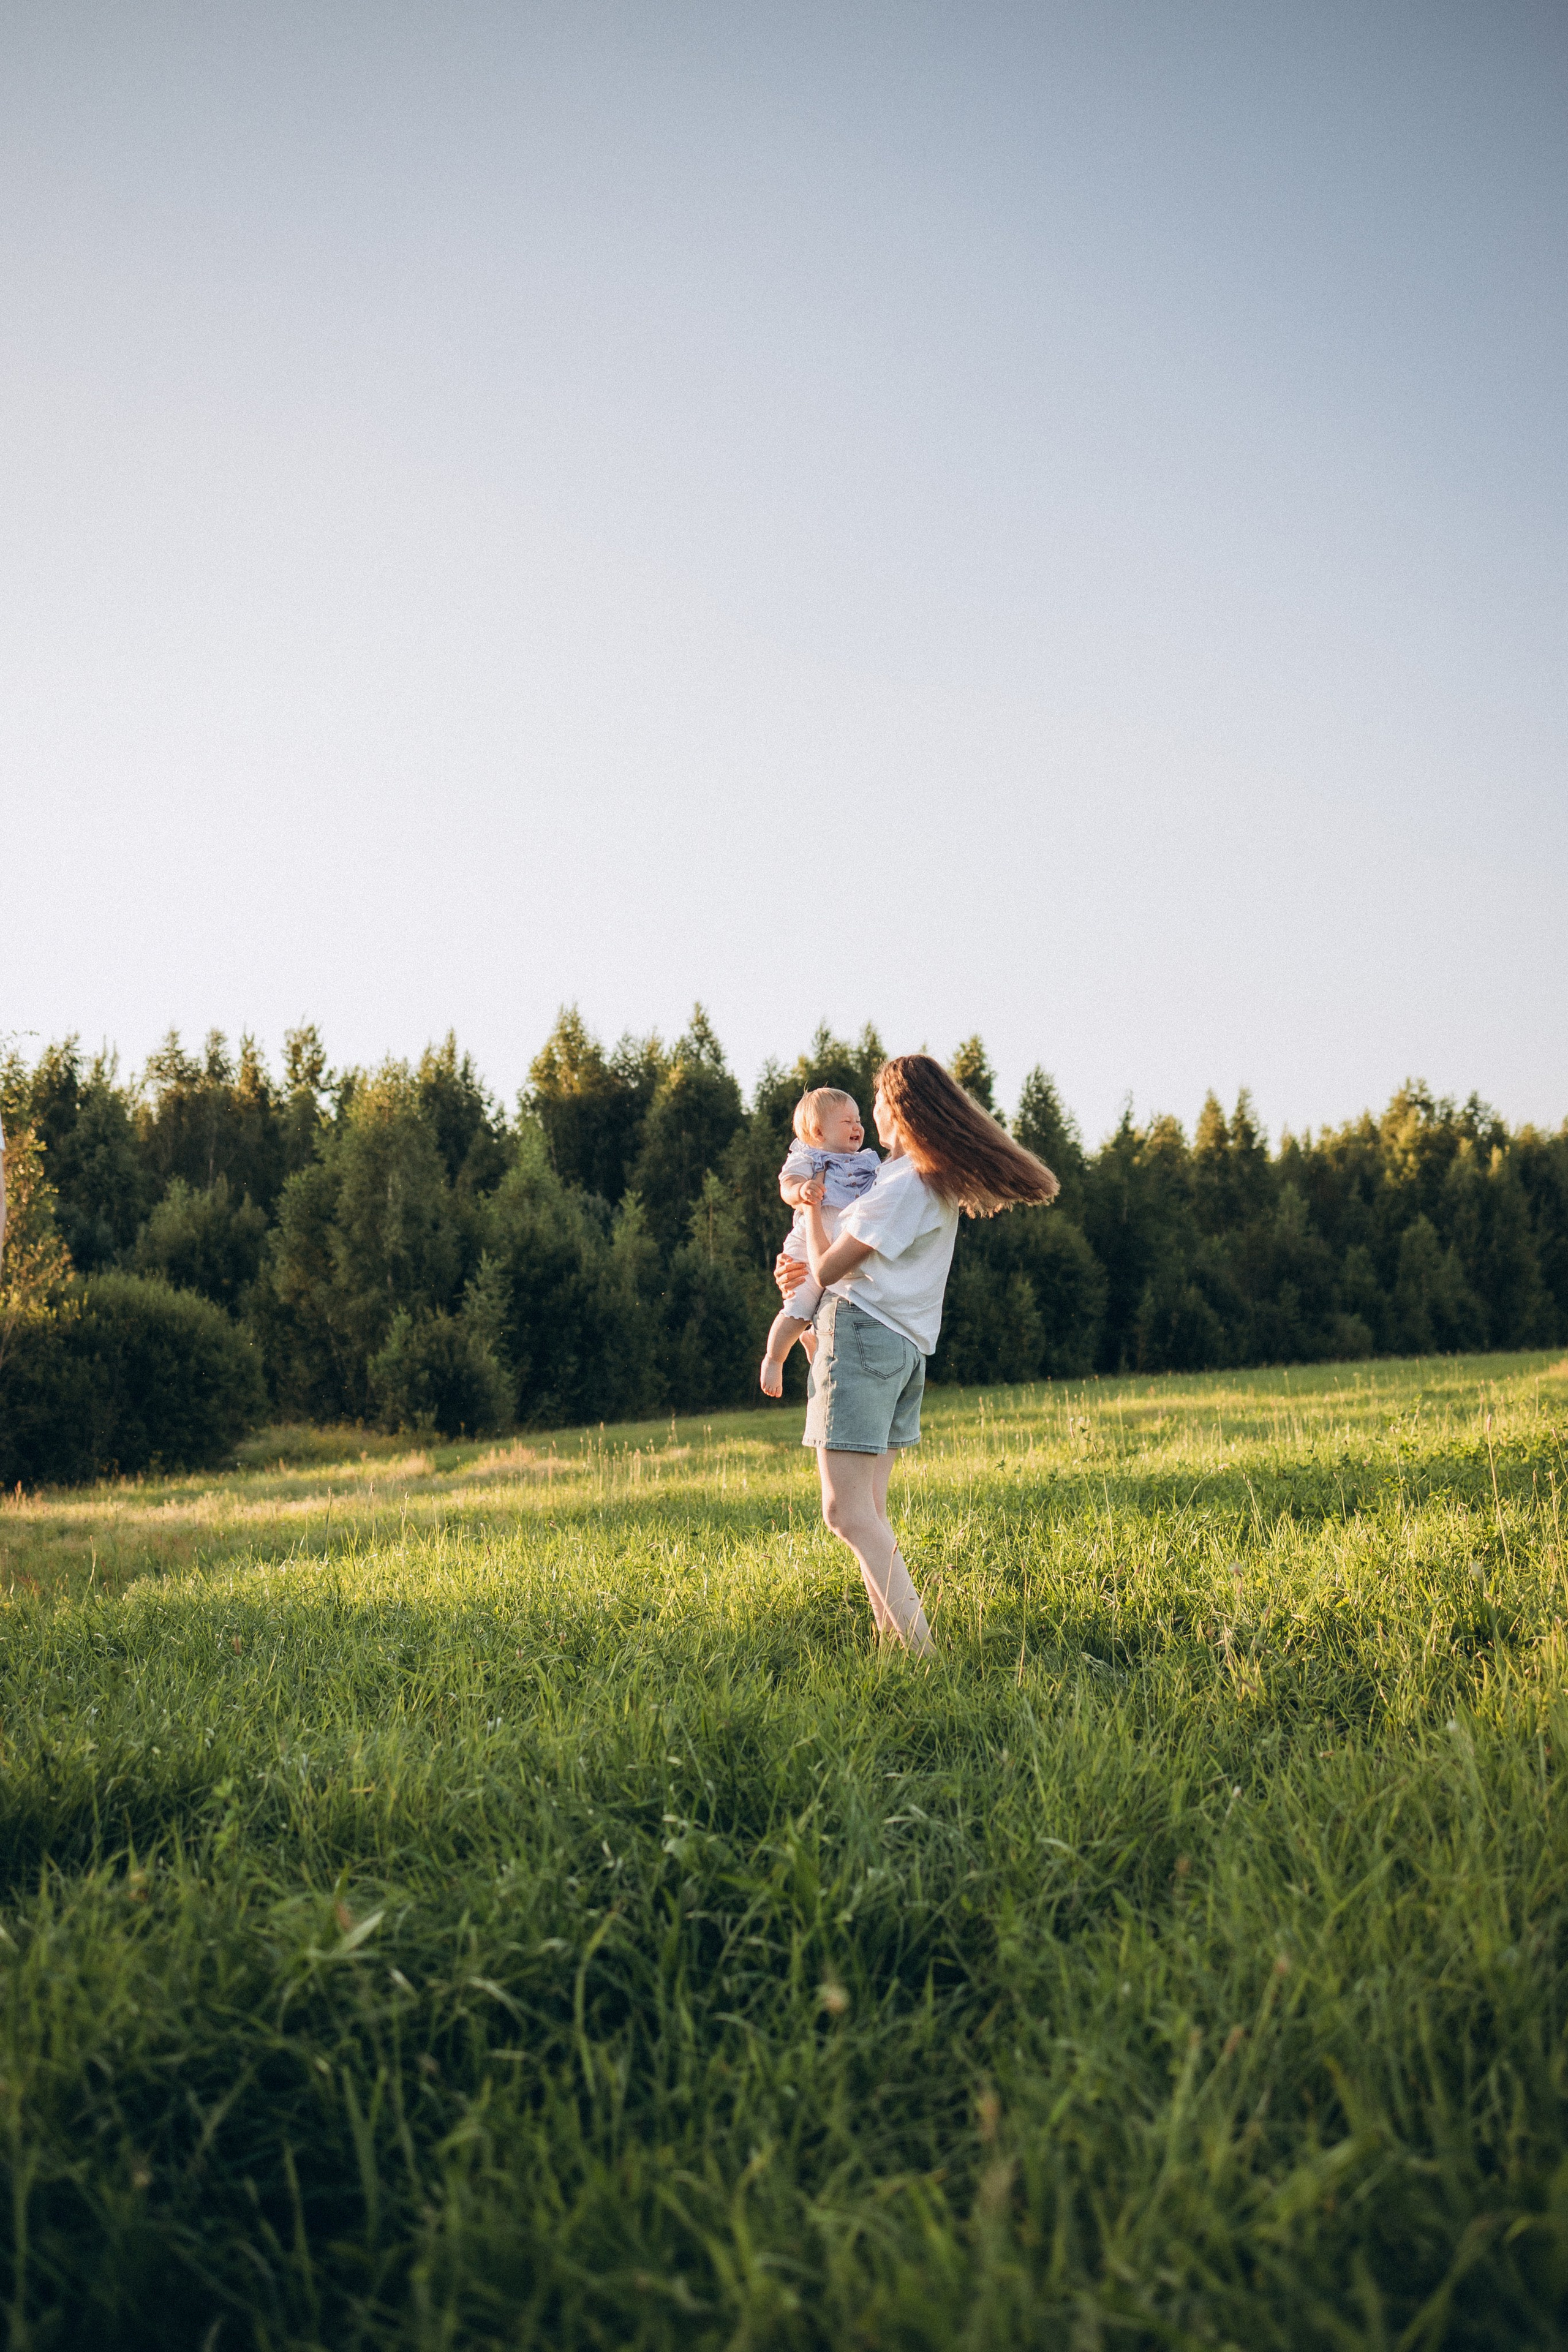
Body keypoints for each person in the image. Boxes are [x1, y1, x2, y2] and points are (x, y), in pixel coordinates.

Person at [775, 1054, 1058, 1654]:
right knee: (869, 1511)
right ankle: (892, 1646)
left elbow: (827, 1267)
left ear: (897, 1110)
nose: (868, 1110)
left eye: (875, 1100)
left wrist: (805, 1221)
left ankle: (921, 1655)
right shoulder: (925, 1182)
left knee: (845, 1514)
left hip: (863, 1339)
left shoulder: (901, 1187)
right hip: (902, 1352)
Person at [758, 1086, 881, 1398]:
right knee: (798, 1305)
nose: (858, 1127)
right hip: (806, 1248)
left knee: (831, 1303)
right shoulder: (809, 1157)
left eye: (859, 1120)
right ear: (818, 1131)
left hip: (843, 1248)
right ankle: (775, 1358)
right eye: (847, 1122)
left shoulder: (868, 1162)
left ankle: (815, 1339)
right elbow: (787, 1186)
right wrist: (802, 1192)